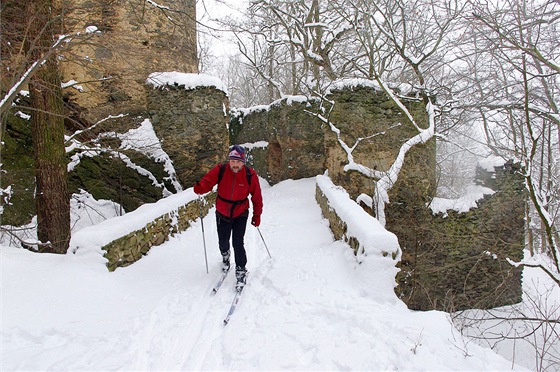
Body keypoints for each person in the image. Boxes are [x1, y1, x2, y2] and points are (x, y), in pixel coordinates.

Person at [193, 144, 263, 290]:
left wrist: (257, 215)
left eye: (238, 162)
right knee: (223, 241)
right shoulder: (221, 169)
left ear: (243, 162)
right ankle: (225, 255)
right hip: (222, 211)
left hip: (240, 212)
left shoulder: (250, 174)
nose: (235, 165)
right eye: (232, 161)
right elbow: (208, 181)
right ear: (229, 161)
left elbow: (257, 197)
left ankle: (241, 269)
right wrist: (201, 187)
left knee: (238, 242)